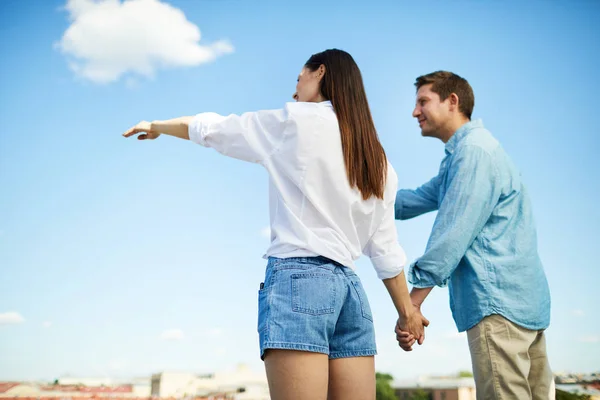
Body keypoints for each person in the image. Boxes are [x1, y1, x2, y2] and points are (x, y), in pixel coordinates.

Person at [122, 49, 429, 400]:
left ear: (320, 73)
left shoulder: (294, 121)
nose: (295, 91)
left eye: (299, 78)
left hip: (300, 280)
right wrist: (407, 313)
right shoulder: (378, 158)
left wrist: (158, 126)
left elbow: (214, 129)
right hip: (352, 293)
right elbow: (385, 248)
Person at [395, 71, 553, 399]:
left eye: (423, 101)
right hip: (522, 307)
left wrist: (410, 306)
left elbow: (452, 235)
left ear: (452, 102)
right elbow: (410, 201)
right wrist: (354, 193)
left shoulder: (474, 154)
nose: (415, 112)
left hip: (497, 307)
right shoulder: (467, 155)